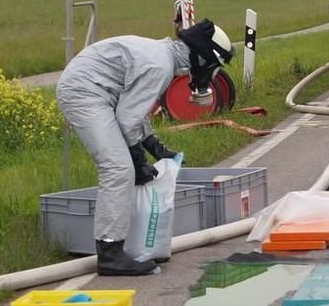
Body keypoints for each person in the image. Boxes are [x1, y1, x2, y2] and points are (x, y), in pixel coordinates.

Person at [55, 18, 234, 277]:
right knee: (118, 169)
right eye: (213, 67)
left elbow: (134, 109)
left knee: (122, 167)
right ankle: (110, 254)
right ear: (202, 57)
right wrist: (139, 160)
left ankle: (116, 247)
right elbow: (127, 121)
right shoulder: (160, 66)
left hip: (99, 91)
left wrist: (154, 147)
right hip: (84, 93)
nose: (210, 75)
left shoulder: (162, 59)